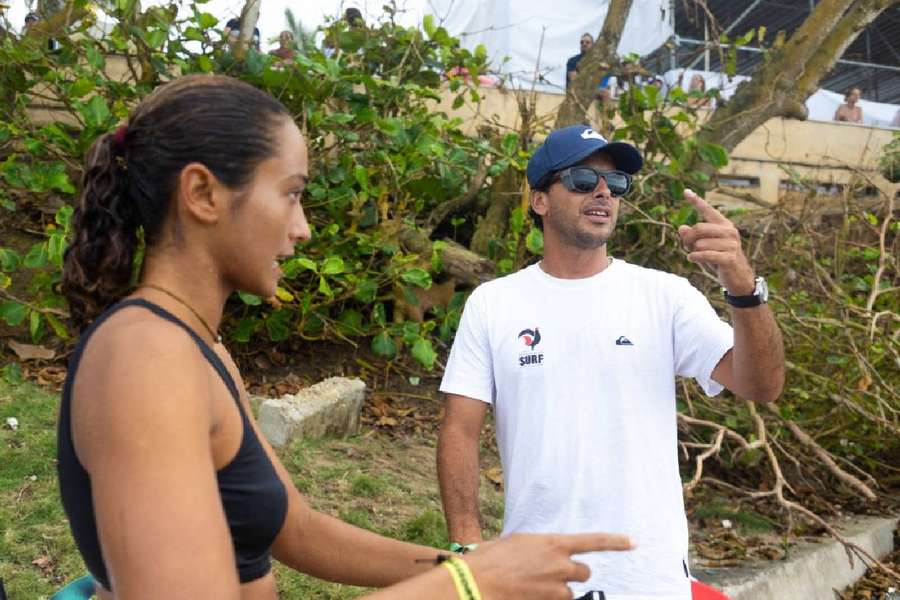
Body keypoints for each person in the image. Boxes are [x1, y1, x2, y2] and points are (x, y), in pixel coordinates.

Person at [57, 75, 634, 599]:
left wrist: (477, 560)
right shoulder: (144, 356)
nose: (303, 227)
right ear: (203, 194)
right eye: (291, 193)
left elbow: (298, 530)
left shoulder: (198, 347)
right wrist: (468, 583)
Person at [437, 124, 785, 600]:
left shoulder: (664, 296)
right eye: (583, 179)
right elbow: (459, 429)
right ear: (540, 200)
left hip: (648, 576)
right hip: (538, 572)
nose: (603, 191)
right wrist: (467, 543)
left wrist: (744, 288)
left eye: (615, 184)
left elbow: (762, 385)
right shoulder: (493, 304)